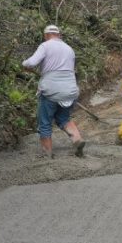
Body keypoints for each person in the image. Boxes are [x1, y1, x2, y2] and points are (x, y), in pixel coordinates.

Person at [22, 25, 86, 159]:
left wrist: (24, 65)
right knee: (63, 118)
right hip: (70, 90)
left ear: (46, 35)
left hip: (51, 90)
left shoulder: (45, 46)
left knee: (45, 122)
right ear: (59, 35)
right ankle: (77, 139)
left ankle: (47, 154)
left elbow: (31, 63)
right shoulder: (69, 49)